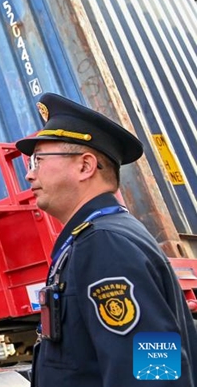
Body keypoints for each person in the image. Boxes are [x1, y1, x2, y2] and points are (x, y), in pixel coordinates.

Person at [15, 93, 197, 387]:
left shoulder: (104, 243)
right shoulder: (101, 236)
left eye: (38, 160)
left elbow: (154, 371)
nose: (29, 175)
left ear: (85, 166)